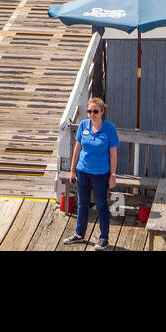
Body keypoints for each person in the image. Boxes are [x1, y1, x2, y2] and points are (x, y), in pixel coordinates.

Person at [64, 96, 119, 249]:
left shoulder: (110, 129)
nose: (92, 114)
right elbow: (77, 149)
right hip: (83, 171)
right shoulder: (83, 125)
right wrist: (72, 170)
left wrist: (113, 175)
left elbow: (113, 154)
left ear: (102, 112)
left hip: (101, 173)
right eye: (89, 111)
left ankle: (104, 238)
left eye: (95, 111)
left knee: (101, 205)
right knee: (82, 203)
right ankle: (79, 233)